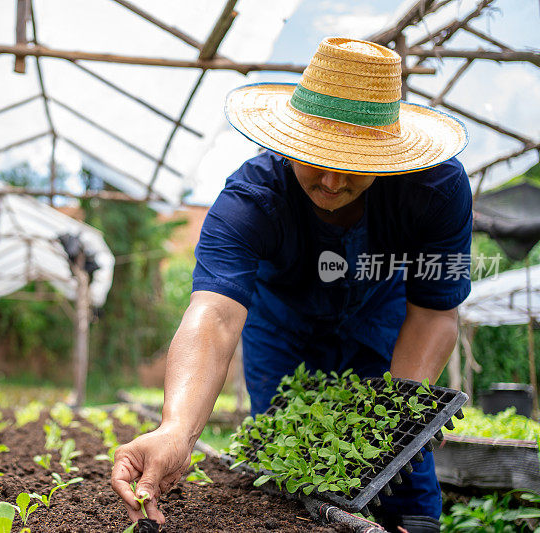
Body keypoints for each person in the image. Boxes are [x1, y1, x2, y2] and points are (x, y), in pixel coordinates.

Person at [111, 37, 471, 533]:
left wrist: (397, 416)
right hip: (279, 328)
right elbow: (213, 315)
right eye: (316, 156)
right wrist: (177, 429)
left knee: (400, 475)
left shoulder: (435, 188)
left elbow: (434, 312)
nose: (330, 180)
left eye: (354, 163)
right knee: (288, 466)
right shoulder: (251, 200)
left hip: (383, 322)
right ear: (291, 140)